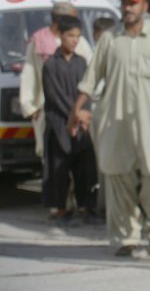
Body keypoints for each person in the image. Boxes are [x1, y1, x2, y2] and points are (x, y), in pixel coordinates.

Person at [69, 0, 150, 257]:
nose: (128, 8)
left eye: (133, 3)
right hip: (117, 121)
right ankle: (125, 239)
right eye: (124, 3)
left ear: (144, 5)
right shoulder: (110, 39)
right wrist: (76, 112)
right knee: (119, 178)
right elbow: (91, 79)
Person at [41, 15, 98, 225]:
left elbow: (86, 92)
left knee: (85, 168)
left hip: (80, 125)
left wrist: (84, 116)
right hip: (59, 125)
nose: (74, 40)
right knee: (59, 170)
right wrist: (75, 114)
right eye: (70, 36)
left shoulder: (81, 63)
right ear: (60, 36)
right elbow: (55, 97)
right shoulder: (50, 65)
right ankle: (61, 209)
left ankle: (87, 207)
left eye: (77, 36)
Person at [19, 2, 93, 159]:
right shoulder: (38, 41)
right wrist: (29, 106)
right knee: (52, 158)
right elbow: (30, 73)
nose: (74, 39)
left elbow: (91, 75)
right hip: (49, 109)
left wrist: (81, 110)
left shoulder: (80, 43)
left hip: (77, 108)